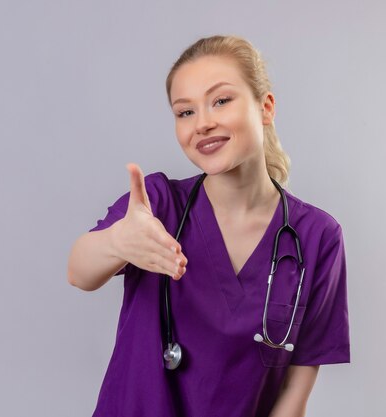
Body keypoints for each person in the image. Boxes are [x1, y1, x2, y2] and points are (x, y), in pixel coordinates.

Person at [67, 34, 350, 417]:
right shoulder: (158, 203)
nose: (202, 124)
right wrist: (118, 241)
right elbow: (79, 271)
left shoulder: (317, 237)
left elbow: (293, 396)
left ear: (265, 107)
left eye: (220, 101)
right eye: (185, 112)